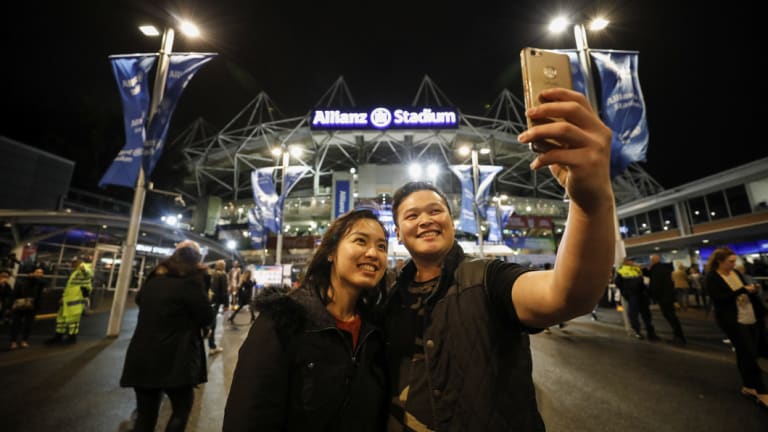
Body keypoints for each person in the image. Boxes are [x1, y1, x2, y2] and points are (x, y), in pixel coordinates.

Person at [381, 88, 616, 431]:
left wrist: (590, 204)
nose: (426, 219)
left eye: (435, 210)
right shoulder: (386, 294)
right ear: (398, 234)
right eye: (411, 216)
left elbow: (566, 295)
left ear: (451, 220)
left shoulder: (487, 278)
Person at [223, 209, 390, 431]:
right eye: (360, 241)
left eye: (381, 246)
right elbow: (248, 416)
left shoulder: (376, 331)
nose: (373, 253)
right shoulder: (283, 320)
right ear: (331, 251)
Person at [120, 240, 214, 432]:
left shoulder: (154, 278)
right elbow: (206, 316)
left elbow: (140, 300)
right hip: (175, 359)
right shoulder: (190, 281)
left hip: (142, 355)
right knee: (181, 409)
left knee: (145, 415)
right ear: (196, 259)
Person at [705, 247, 768, 408]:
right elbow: (719, 299)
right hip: (732, 320)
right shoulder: (712, 277)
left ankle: (748, 386)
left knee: (746, 352)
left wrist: (752, 291)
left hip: (750, 316)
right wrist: (741, 290)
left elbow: (743, 292)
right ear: (720, 261)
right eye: (730, 262)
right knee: (748, 352)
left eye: (734, 261)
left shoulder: (736, 274)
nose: (733, 264)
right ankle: (761, 391)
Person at [44, 259, 92, 345]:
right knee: (61, 319)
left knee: (73, 321)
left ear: (79, 263)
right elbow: (69, 287)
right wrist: (63, 297)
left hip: (75, 301)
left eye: (74, 262)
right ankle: (58, 336)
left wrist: (83, 268)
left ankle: (71, 337)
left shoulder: (85, 268)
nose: (71, 264)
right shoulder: (74, 273)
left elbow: (88, 273)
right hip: (67, 300)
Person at [646, 254, 687, 346]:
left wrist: (652, 295)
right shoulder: (665, 269)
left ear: (653, 261)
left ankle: (679, 337)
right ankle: (679, 336)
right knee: (672, 316)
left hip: (663, 297)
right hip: (669, 295)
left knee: (670, 316)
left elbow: (655, 285)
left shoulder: (656, 270)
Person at [615, 258, 660, 341]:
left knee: (646, 314)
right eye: (630, 260)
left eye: (632, 260)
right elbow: (618, 283)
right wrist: (626, 293)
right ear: (625, 262)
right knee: (633, 314)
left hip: (641, 294)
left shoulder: (637, 269)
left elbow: (646, 277)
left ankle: (651, 332)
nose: (632, 262)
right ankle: (637, 331)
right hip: (632, 295)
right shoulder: (621, 271)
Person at [8, 267, 46, 349]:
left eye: (41, 272)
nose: (39, 274)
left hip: (32, 306)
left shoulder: (40, 283)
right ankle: (13, 341)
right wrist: (11, 305)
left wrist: (33, 278)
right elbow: (16, 292)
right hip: (21, 305)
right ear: (33, 272)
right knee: (16, 324)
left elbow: (42, 284)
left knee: (28, 325)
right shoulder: (23, 281)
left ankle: (24, 340)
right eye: (37, 272)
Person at [207, 259, 228, 355]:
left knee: (211, 322)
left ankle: (212, 345)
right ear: (223, 266)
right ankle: (212, 346)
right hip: (216, 301)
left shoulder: (212, 274)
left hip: (209, 300)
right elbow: (224, 291)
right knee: (212, 324)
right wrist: (226, 304)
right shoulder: (222, 275)